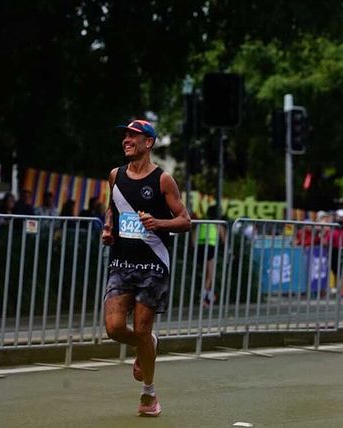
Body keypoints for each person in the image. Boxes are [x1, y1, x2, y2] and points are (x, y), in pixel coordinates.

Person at [102, 119, 190, 417]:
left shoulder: (163, 180)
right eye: (125, 135)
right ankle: (147, 343)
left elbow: (185, 220)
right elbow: (111, 210)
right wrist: (108, 228)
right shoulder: (115, 176)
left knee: (140, 327)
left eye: (133, 136)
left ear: (148, 143)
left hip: (153, 264)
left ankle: (149, 395)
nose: (127, 140)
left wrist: (159, 223)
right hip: (121, 262)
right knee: (114, 328)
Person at [194, 205, 226, 307]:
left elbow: (193, 239)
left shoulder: (202, 223)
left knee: (205, 274)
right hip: (211, 249)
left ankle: (208, 297)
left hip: (200, 249)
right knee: (210, 275)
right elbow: (224, 240)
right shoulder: (218, 224)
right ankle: (202, 298)